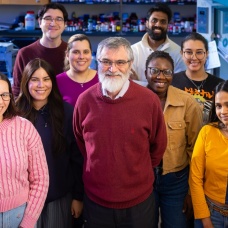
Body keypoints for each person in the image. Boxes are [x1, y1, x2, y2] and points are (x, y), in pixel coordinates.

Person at [73, 37, 167, 227]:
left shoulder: (149, 101)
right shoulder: (84, 101)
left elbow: (158, 147)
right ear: (97, 62)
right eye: (106, 61)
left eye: (120, 62)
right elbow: (82, 145)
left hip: (139, 202)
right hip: (96, 202)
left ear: (130, 64)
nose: (112, 68)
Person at [16, 58, 84, 228]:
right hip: (24, 200)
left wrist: (78, 196)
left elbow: (77, 158)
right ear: (26, 82)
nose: (41, 85)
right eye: (34, 79)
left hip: (59, 196)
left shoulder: (66, 112)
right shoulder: (15, 114)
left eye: (46, 79)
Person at [145, 51, 203, 227]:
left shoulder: (187, 102)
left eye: (167, 72)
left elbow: (196, 151)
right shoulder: (135, 101)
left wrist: (192, 192)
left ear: (173, 74)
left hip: (177, 181)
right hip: (143, 180)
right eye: (154, 70)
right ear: (145, 71)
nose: (160, 77)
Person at [0, 73, 49, 228]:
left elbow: (41, 179)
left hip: (19, 216)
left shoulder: (24, 127)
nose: (0, 101)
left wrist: (27, 222)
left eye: (4, 95)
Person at [189, 80, 228, 228]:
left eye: (227, 104)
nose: (222, 111)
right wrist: (205, 220)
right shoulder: (207, 132)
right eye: (218, 106)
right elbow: (195, 178)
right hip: (211, 214)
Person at [12, 2, 68, 98]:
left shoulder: (72, 53)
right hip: (32, 111)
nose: (53, 23)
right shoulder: (25, 53)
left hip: (66, 111)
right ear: (39, 22)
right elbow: (17, 92)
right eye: (48, 18)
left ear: (65, 24)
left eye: (59, 19)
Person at [172, 32, 224, 122]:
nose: (194, 57)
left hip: (210, 134)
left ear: (206, 54)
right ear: (182, 53)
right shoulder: (172, 82)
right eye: (189, 52)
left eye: (199, 52)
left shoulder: (220, 85)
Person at [131, 3, 186, 86]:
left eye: (163, 22)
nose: (158, 25)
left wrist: (139, 84)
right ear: (146, 23)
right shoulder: (133, 51)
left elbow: (177, 87)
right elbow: (129, 84)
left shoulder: (178, 53)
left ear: (168, 25)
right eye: (154, 20)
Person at [57, 34, 99, 107]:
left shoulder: (102, 79)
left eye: (86, 52)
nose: (81, 57)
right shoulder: (57, 81)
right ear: (67, 55)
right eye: (76, 52)